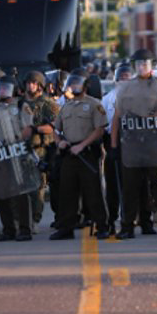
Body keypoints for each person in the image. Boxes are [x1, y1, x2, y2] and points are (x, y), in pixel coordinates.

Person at [111, 49, 157, 239]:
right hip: (130, 146)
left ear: (151, 65)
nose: (142, 67)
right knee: (130, 189)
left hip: (154, 145)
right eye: (138, 64)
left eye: (145, 63)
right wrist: (114, 146)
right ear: (134, 66)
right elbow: (117, 117)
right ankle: (127, 227)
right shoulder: (125, 87)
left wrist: (151, 116)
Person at [50, 70, 109, 240]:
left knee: (93, 191)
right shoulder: (66, 106)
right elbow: (56, 129)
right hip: (69, 153)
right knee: (67, 191)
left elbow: (99, 130)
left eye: (78, 83)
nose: (74, 86)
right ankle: (66, 227)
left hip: (87, 153)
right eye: (72, 83)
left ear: (85, 85)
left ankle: (102, 225)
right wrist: (59, 142)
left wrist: (82, 145)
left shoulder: (94, 104)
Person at [0, 75, 36, 241]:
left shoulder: (21, 106)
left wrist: (19, 141)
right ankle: (8, 229)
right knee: (1, 192)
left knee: (21, 192)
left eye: (5, 88)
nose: (2, 91)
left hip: (16, 152)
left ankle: (25, 229)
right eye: (0, 88)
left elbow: (27, 128)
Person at [23, 71, 59, 234]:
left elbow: (53, 126)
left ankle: (35, 220)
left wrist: (34, 129)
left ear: (40, 85)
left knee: (38, 188)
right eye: (28, 82)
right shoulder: (20, 103)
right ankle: (22, 220)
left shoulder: (47, 103)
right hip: (21, 150)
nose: (30, 86)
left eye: (34, 83)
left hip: (40, 151)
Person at [101, 64, 132, 235]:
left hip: (133, 143)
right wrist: (110, 147)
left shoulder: (137, 97)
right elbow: (103, 124)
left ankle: (132, 219)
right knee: (113, 185)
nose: (125, 81)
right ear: (116, 80)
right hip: (113, 144)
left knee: (131, 184)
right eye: (122, 78)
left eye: (128, 78)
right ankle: (111, 220)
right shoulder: (107, 99)